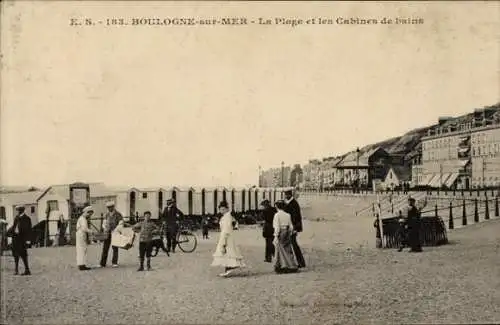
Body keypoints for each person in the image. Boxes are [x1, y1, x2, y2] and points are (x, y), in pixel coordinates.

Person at [211, 201, 245, 277]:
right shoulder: (226, 216)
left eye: (223, 209)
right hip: (226, 234)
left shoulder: (227, 217)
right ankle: (228, 268)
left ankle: (230, 267)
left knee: (227, 250)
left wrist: (223, 241)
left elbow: (226, 229)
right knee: (228, 252)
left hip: (226, 235)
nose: (221, 211)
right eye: (220, 209)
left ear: (226, 209)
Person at [273, 200, 299, 274]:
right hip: (287, 232)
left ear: (277, 206)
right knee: (288, 249)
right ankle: (292, 265)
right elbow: (291, 226)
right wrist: (290, 232)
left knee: (279, 249)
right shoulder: (288, 215)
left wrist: (275, 235)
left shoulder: (277, 215)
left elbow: (277, 226)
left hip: (281, 232)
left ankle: (282, 265)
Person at [283, 190, 306, 268]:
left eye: (286, 195)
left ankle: (300, 263)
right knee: (293, 244)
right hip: (292, 227)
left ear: (289, 195)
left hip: (293, 227)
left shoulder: (293, 203)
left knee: (294, 245)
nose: (285, 196)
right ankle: (297, 262)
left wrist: (295, 228)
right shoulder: (292, 203)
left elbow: (295, 217)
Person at [8, 206, 32, 275]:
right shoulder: (16, 217)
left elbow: (29, 230)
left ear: (23, 210)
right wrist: (9, 233)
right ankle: (16, 270)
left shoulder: (27, 218)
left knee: (23, 254)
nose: (18, 211)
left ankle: (27, 270)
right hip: (15, 238)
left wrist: (28, 240)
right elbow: (14, 226)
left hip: (22, 239)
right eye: (18, 210)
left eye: (20, 210)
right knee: (15, 254)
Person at [99, 201, 123, 267]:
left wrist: (116, 230)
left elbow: (121, 223)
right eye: (108, 207)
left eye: (111, 207)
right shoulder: (106, 214)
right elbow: (104, 223)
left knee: (115, 248)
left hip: (115, 232)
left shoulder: (118, 214)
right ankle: (102, 263)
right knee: (105, 248)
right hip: (108, 232)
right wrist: (105, 228)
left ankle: (114, 262)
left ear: (113, 207)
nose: (109, 208)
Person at [76, 206, 94, 270]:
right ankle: (82, 265)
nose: (89, 215)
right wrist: (90, 231)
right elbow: (84, 228)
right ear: (87, 212)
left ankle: (81, 264)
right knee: (82, 249)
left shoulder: (81, 218)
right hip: (81, 234)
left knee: (81, 249)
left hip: (80, 234)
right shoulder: (83, 219)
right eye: (89, 214)